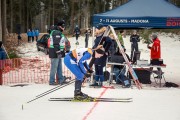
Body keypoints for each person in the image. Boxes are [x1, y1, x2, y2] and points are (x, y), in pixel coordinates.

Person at [49, 20, 66, 85]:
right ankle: (52, 81)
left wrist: (61, 52)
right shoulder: (56, 32)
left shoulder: (58, 32)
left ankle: (60, 79)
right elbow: (56, 44)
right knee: (54, 67)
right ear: (60, 26)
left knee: (59, 67)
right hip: (55, 52)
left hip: (57, 52)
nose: (64, 28)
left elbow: (60, 43)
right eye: (63, 26)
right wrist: (58, 52)